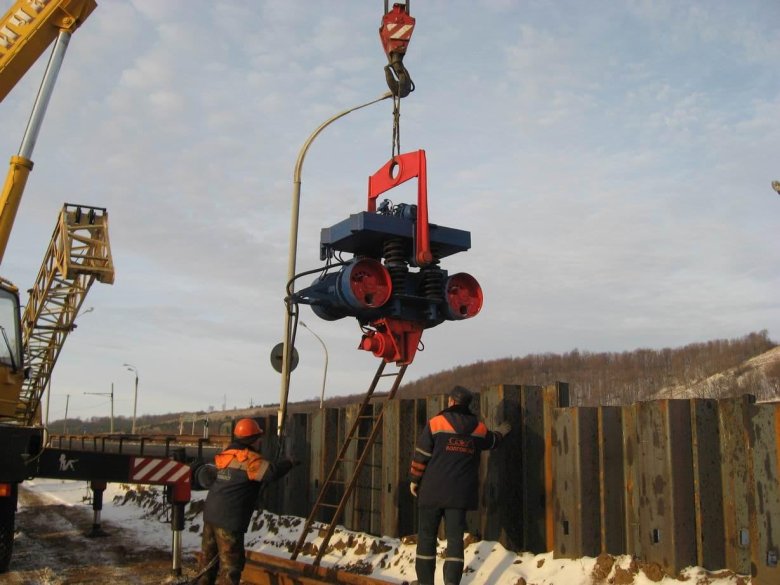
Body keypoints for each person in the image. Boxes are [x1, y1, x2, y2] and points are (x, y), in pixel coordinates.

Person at [408, 386, 511, 585]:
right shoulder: (478, 428)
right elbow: (492, 442)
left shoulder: (436, 423)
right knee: (455, 542)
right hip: (459, 496)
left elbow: (422, 455)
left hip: (432, 492)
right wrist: (501, 432)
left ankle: (425, 582)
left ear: (451, 402)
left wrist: (414, 479)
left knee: (427, 538)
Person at [197, 417, 297, 585]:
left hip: (211, 515)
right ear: (253, 440)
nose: (260, 442)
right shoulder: (249, 460)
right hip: (229, 520)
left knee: (208, 566)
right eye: (258, 438)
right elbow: (271, 473)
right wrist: (289, 462)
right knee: (230, 569)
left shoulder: (226, 455)